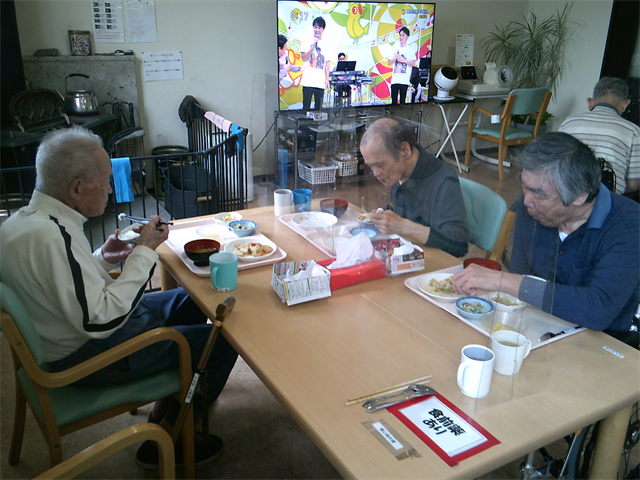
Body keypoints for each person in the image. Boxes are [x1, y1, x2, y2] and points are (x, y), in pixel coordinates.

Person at [0, 127, 238, 469]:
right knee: (224, 339)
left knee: (192, 300)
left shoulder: (24, 223)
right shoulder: (53, 237)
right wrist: (144, 252)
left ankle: (173, 395)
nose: (111, 190)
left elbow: (63, 283)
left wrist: (102, 256)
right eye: (107, 181)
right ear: (77, 188)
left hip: (71, 333)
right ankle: (171, 435)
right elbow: (101, 319)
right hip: (87, 356)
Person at [452, 132, 640, 337]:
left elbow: (598, 310)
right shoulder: (532, 212)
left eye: (539, 194)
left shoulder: (628, 224)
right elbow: (520, 283)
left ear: (579, 196)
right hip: (538, 328)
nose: (525, 201)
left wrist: (503, 280)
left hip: (600, 342)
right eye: (523, 186)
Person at [360, 117, 469, 257]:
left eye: (380, 165)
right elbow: (411, 214)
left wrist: (404, 226)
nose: (375, 173)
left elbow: (459, 244)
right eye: (371, 166)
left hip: (434, 263)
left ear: (405, 150)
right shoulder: (400, 172)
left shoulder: (442, 179)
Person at [559, 77, 640, 195]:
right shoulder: (633, 131)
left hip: (566, 194)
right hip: (607, 199)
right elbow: (633, 185)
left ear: (590, 102)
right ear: (625, 104)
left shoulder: (568, 122)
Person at [300, 16, 330, 111]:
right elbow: (304, 58)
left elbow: (327, 63)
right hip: (308, 81)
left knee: (319, 110)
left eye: (319, 28)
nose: (317, 30)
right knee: (306, 108)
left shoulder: (327, 43)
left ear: (323, 29)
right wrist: (313, 46)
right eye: (315, 27)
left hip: (319, 82)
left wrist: (327, 80)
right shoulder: (306, 40)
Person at [387, 26, 417, 105]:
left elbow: (414, 63)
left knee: (402, 102)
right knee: (393, 102)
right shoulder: (394, 48)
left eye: (403, 35)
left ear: (407, 37)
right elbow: (389, 62)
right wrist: (395, 59)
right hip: (395, 80)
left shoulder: (410, 49)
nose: (401, 37)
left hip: (404, 80)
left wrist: (404, 61)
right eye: (400, 35)